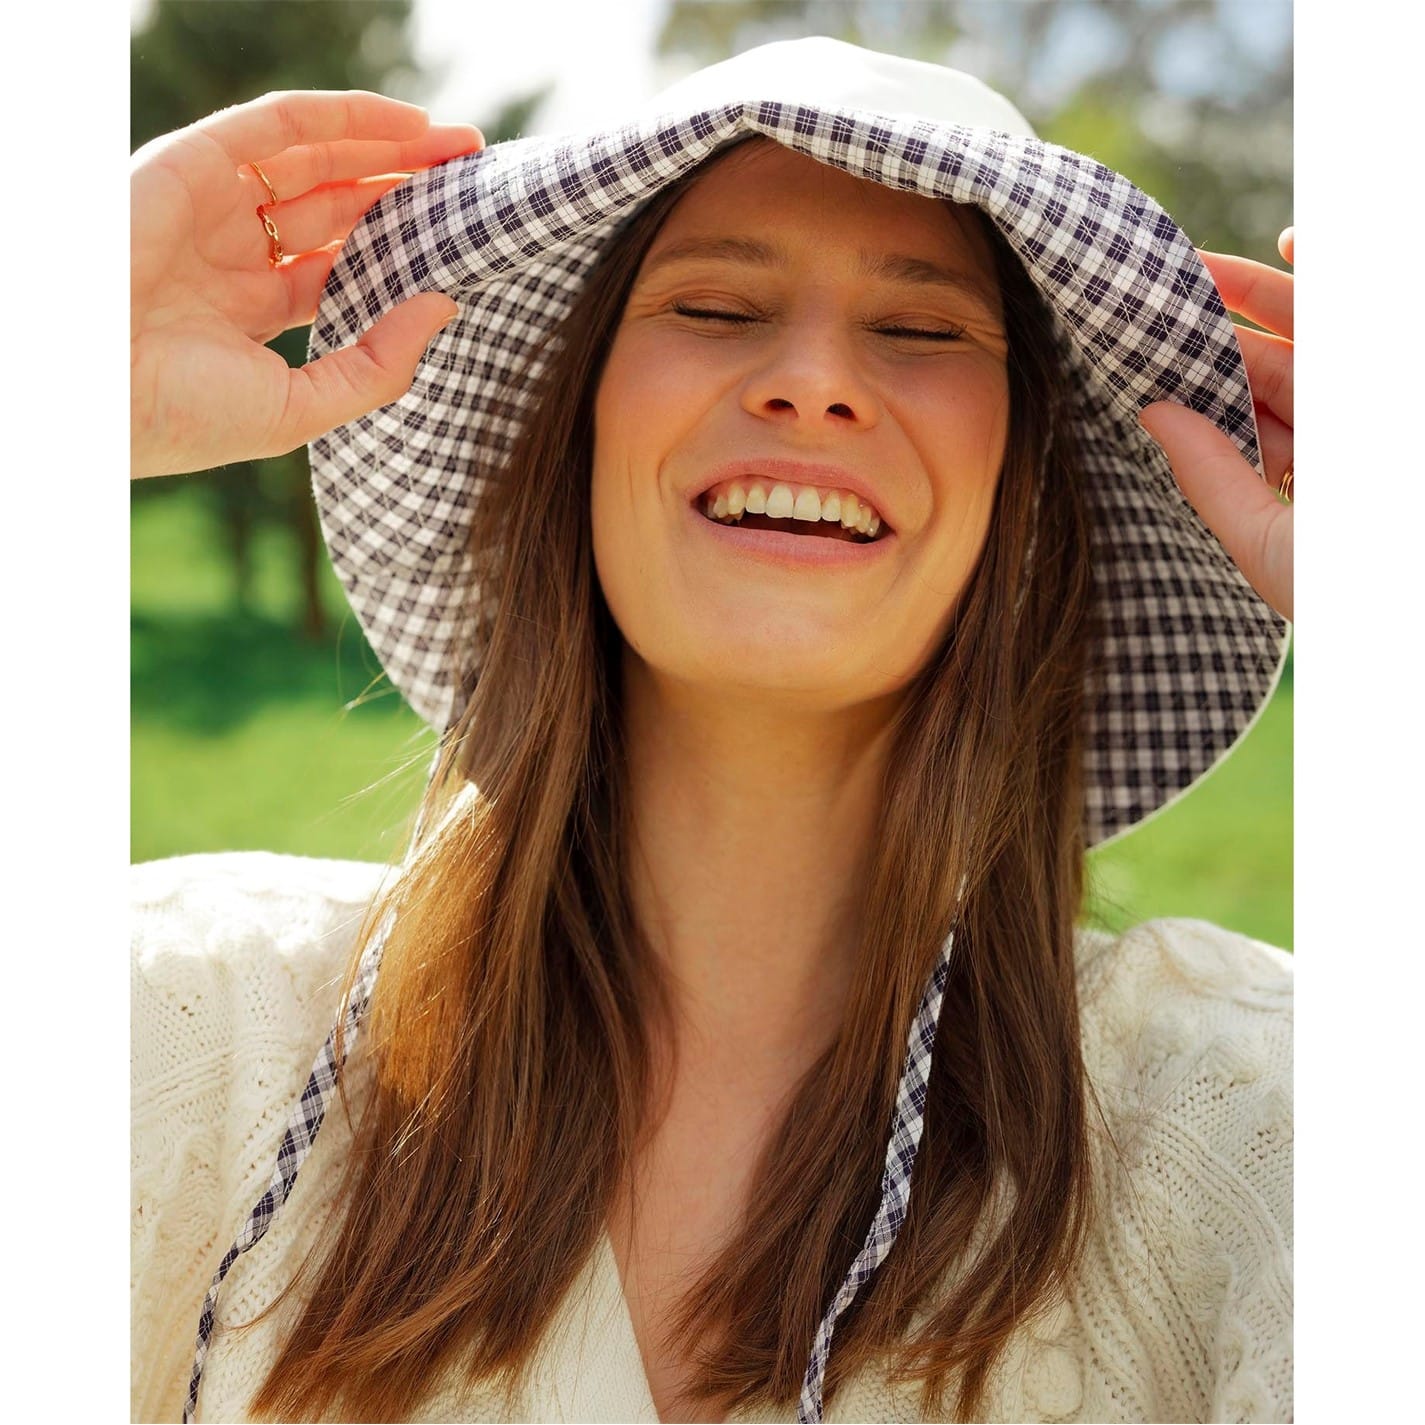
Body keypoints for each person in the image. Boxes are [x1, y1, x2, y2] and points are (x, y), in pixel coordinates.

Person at [131, 38, 1293, 1425]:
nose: (811, 381)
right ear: (572, 435)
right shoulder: (180, 1023)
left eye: (921, 331)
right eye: (715, 307)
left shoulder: (1261, 1113)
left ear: (1023, 501)